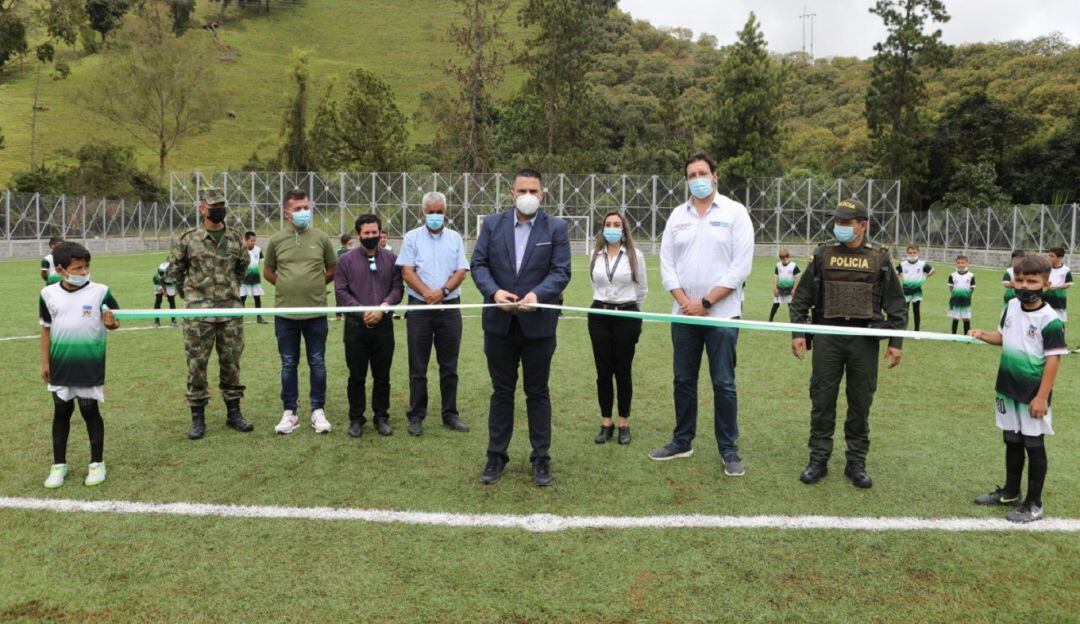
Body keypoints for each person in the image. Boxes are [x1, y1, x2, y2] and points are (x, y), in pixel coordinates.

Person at [789, 199, 907, 489]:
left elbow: (897, 305)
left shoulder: (879, 257)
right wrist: (798, 333)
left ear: (863, 225)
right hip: (828, 335)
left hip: (864, 339)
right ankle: (818, 460)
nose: (839, 227)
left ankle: (856, 463)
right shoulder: (823, 253)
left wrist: (896, 342)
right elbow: (801, 298)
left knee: (860, 402)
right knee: (822, 399)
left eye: (846, 222)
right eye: (837, 222)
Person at [651, 152, 753, 477]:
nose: (698, 179)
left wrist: (706, 303)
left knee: (723, 383)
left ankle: (729, 449)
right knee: (683, 379)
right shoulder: (676, 217)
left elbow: (740, 267)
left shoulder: (736, 213)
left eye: (703, 173)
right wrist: (684, 300)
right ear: (686, 181)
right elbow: (666, 264)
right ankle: (682, 441)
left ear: (715, 176)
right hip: (683, 315)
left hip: (721, 315)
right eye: (692, 175)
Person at [471, 168, 571, 486]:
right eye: (521, 191)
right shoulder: (492, 224)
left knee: (537, 392)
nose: (527, 196)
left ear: (542, 194)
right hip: (499, 324)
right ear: (512, 194)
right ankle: (496, 456)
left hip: (538, 325)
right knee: (501, 392)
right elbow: (479, 264)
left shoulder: (556, 228)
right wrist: (494, 292)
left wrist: (537, 295)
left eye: (533, 191)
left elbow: (561, 271)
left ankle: (541, 458)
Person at [969, 254, 1067, 523]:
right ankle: (1011, 492)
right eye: (1020, 280)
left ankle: (1034, 503)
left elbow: (1053, 359)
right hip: (1007, 389)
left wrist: (1042, 397)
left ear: (1045, 285)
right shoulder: (1011, 305)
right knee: (1011, 440)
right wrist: (982, 335)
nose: (1024, 286)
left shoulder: (1050, 319)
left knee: (1033, 445)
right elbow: (1003, 336)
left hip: (1032, 394)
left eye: (1032, 281)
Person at [166, 187, 253, 439]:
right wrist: (192, 297)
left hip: (230, 313)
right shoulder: (188, 239)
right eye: (213, 206)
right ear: (202, 208)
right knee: (196, 366)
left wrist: (230, 292)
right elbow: (173, 273)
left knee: (231, 365)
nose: (218, 210)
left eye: (221, 205)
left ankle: (234, 413)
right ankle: (197, 418)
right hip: (197, 316)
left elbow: (242, 269)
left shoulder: (236, 238)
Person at [40, 242, 120, 489]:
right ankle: (58, 465)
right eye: (78, 268)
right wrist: (45, 361)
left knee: (90, 412)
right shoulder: (48, 294)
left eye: (86, 267)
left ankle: (96, 464)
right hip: (61, 364)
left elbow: (115, 322)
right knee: (61, 413)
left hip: (88, 363)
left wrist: (111, 323)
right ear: (62, 269)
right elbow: (45, 328)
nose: (84, 272)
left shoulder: (101, 291)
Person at [396, 191, 471, 436]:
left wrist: (443, 291)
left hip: (449, 308)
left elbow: (461, 270)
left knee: (449, 366)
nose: (435, 216)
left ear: (445, 212)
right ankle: (416, 415)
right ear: (423, 213)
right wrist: (428, 293)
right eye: (431, 212)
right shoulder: (412, 237)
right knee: (418, 366)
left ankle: (450, 414)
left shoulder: (455, 238)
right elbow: (407, 271)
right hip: (419, 309)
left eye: (439, 212)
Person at [264, 189, 337, 435]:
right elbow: (269, 272)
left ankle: (318, 410)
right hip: (286, 314)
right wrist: (288, 287)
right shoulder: (276, 241)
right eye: (297, 209)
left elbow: (331, 269)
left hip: (316, 312)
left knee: (317, 362)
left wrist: (313, 287)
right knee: (288, 363)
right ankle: (290, 413)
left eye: (306, 207)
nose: (303, 212)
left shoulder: (322, 238)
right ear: (287, 213)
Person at [335, 214, 403, 438]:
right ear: (358, 234)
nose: (371, 236)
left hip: (383, 326)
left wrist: (383, 307)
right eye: (367, 233)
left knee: (382, 376)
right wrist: (362, 310)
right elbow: (341, 291)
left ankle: (381, 417)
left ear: (381, 233)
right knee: (356, 376)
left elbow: (397, 288)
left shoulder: (392, 259)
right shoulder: (346, 260)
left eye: (375, 232)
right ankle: (356, 419)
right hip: (356, 326)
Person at [587, 211, 647, 445]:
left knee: (623, 371)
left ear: (624, 229)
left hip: (626, 315)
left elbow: (641, 288)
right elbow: (594, 283)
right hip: (599, 315)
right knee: (603, 372)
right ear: (602, 228)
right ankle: (606, 423)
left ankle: (624, 423)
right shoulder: (595, 254)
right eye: (608, 224)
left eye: (616, 224)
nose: (612, 228)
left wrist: (632, 310)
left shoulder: (635, 255)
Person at [896, 243, 934, 331]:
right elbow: (896, 272)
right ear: (907, 253)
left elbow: (932, 270)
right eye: (910, 253)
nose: (912, 254)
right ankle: (903, 330)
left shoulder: (922, 264)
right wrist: (902, 277)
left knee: (916, 311)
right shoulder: (903, 264)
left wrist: (924, 278)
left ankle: (916, 331)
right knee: (904, 312)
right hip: (905, 291)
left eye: (914, 252)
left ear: (918, 253)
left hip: (917, 291)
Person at [240, 231, 267, 324]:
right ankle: (240, 318)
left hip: (255, 278)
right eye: (252, 240)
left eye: (255, 240)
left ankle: (259, 317)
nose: (253, 242)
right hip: (243, 280)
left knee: (257, 298)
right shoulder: (241, 250)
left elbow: (259, 262)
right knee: (242, 298)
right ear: (246, 240)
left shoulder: (258, 250)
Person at [947, 255, 976, 335]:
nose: (960, 265)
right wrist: (955, 295)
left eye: (962, 263)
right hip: (955, 300)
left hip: (966, 301)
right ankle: (953, 335)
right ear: (956, 264)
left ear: (967, 264)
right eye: (958, 263)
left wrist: (966, 295)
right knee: (955, 318)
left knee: (966, 318)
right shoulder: (952, 275)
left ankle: (966, 335)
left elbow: (972, 288)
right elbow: (951, 287)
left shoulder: (971, 275)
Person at [770, 248, 800, 322]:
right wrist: (775, 288)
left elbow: (797, 278)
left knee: (791, 306)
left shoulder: (794, 266)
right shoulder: (778, 265)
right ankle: (770, 320)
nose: (784, 259)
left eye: (785, 257)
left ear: (788, 256)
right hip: (779, 289)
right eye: (782, 258)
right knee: (775, 304)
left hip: (790, 290)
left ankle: (793, 321)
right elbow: (776, 276)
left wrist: (794, 289)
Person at [1045, 247, 1072, 321]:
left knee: (1059, 319)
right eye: (1049, 255)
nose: (1049, 258)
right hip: (1045, 296)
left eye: (1052, 256)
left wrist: (1056, 287)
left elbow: (1068, 284)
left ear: (1060, 258)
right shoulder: (1046, 268)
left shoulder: (1066, 270)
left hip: (1058, 298)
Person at [152, 261, 178, 327]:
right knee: (158, 300)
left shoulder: (176, 270)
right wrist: (164, 291)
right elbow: (159, 281)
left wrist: (177, 289)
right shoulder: (161, 271)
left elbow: (178, 280)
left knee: (171, 300)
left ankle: (173, 320)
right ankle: (156, 321)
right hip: (159, 282)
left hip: (170, 283)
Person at [334, 234, 353, 321]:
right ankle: (338, 314)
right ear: (345, 243)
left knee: (349, 295)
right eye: (349, 243)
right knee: (339, 295)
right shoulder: (339, 252)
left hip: (351, 277)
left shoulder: (353, 251)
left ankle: (347, 313)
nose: (351, 245)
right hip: (340, 277)